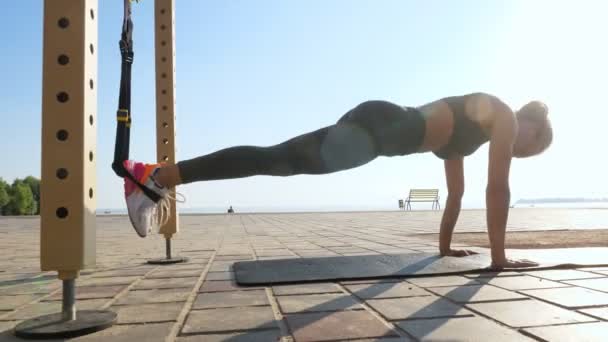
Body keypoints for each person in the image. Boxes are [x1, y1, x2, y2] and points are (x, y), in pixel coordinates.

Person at [121, 92, 552, 269]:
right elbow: (498, 189)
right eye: (532, 146)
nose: (523, 151)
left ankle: (159, 176)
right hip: (376, 130)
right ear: (529, 123)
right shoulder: (506, 117)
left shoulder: (470, 135)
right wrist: (499, 258)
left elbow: (457, 195)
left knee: (276, 160)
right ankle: (155, 176)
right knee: (275, 160)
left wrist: (444, 249)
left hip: (375, 128)